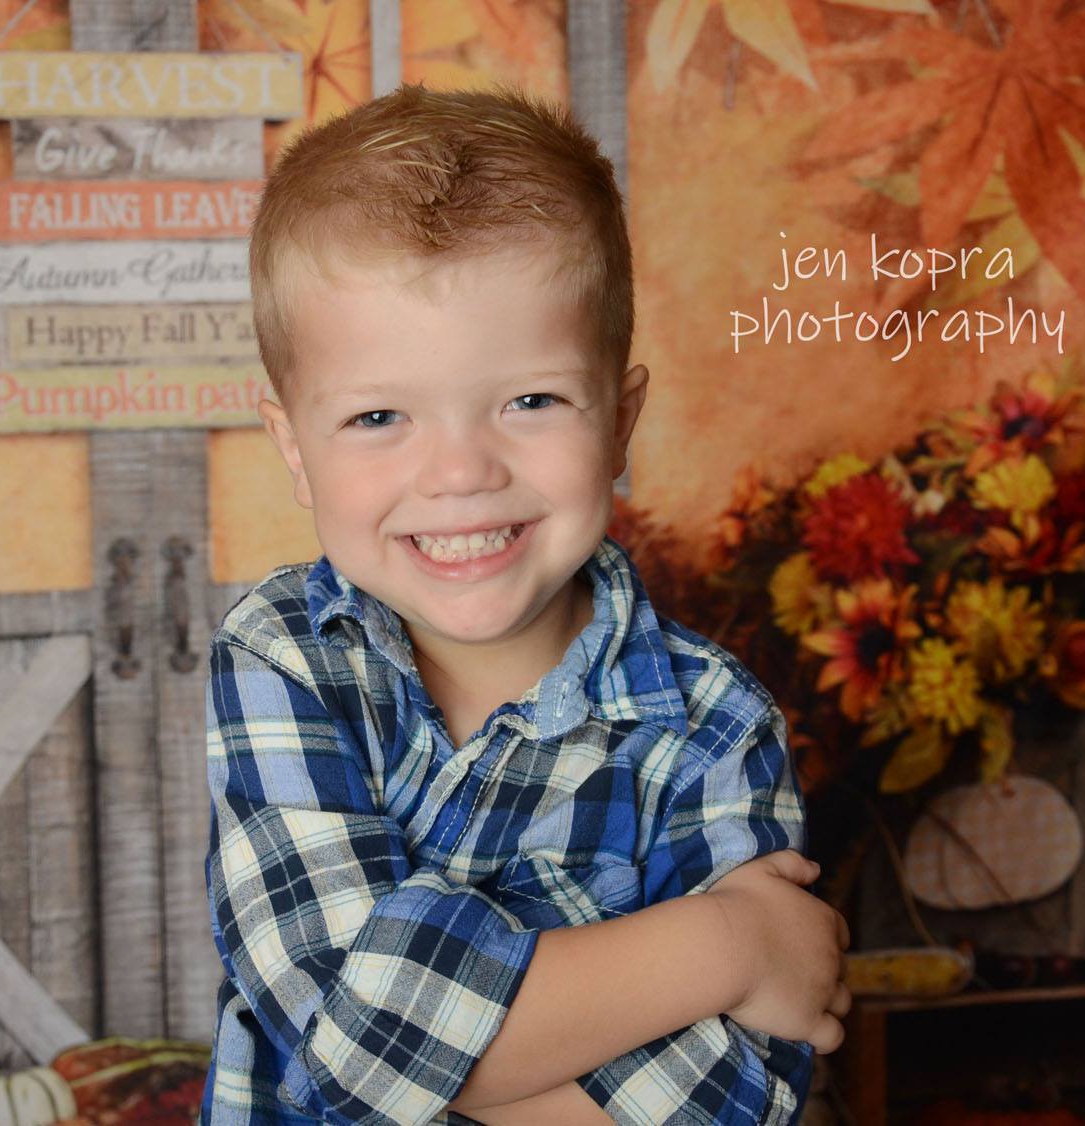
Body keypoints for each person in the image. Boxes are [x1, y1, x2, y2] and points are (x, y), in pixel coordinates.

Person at [201, 81, 851, 1126]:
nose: (459, 472)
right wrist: (727, 944)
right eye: (377, 415)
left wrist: (451, 1048)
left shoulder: (714, 720)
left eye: (530, 400)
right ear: (292, 448)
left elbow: (734, 1094)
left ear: (621, 420)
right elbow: (354, 1047)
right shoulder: (287, 657)